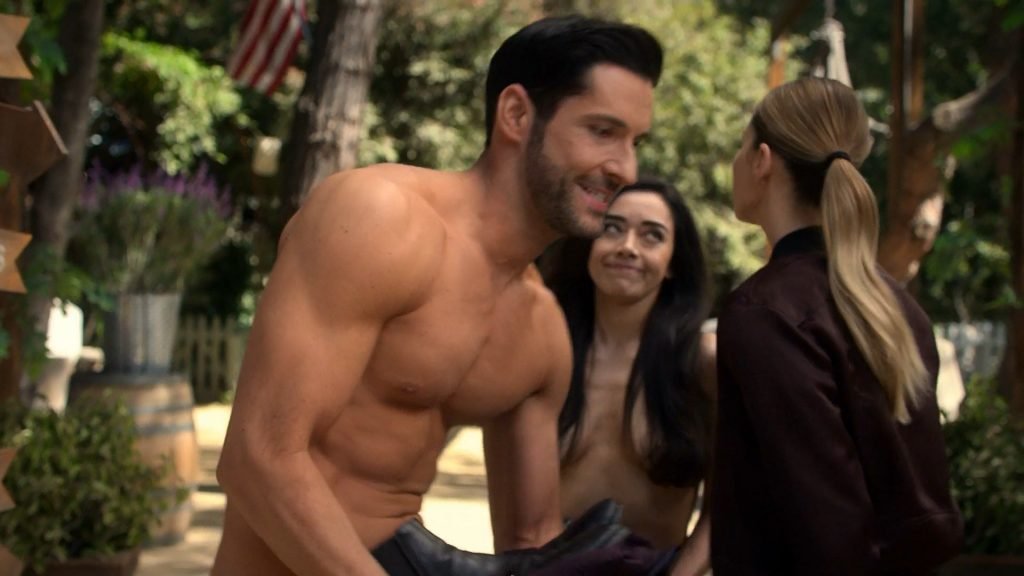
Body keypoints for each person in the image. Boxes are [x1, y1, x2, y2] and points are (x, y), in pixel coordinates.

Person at [211, 14, 663, 576]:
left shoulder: (540, 330)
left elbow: (532, 542)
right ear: (516, 115)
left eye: (635, 142)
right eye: (602, 131)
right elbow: (259, 458)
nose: (626, 168)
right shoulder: (378, 218)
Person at [711, 76, 963, 575]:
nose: (735, 162)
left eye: (741, 147)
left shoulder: (765, 312)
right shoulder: (895, 304)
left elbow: (826, 527)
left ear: (762, 160)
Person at [542, 178, 716, 576]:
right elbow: (511, 508)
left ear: (674, 262)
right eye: (611, 228)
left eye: (652, 235)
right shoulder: (545, 356)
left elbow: (725, 510)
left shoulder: (702, 364)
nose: (628, 246)